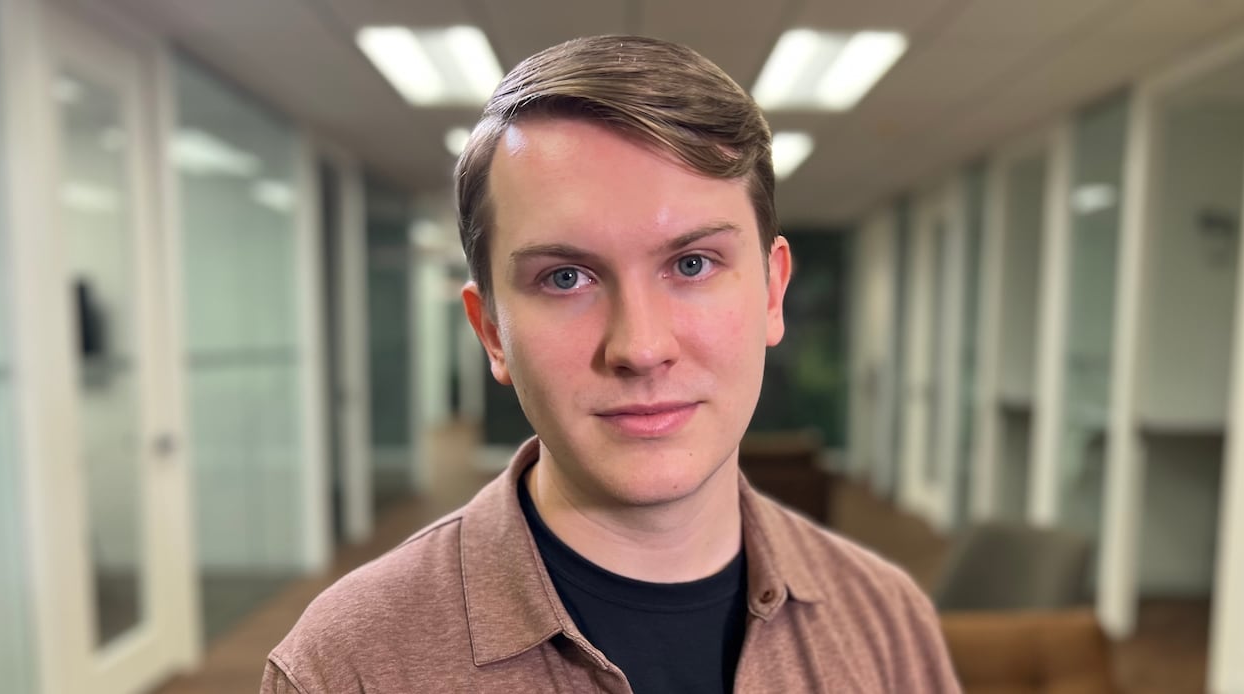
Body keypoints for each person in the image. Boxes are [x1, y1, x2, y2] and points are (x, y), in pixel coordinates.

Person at [262, 35, 961, 693]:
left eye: (693, 264)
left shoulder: (886, 622)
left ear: (773, 294)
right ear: (492, 332)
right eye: (565, 278)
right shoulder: (346, 667)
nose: (640, 347)